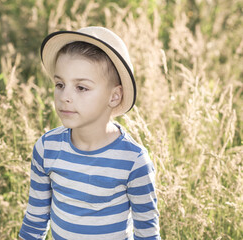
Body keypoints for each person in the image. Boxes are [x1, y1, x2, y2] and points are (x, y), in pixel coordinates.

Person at [19, 26, 160, 240]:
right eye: (60, 84)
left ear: (114, 96)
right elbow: (35, 219)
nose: (65, 96)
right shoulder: (47, 148)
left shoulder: (133, 161)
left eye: (81, 88)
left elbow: (147, 234)